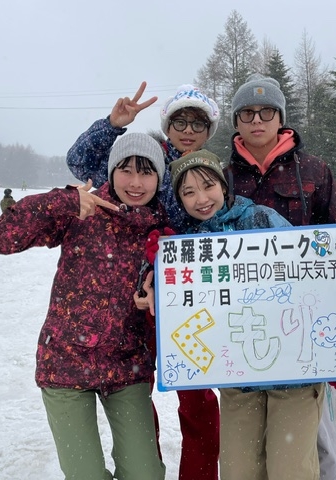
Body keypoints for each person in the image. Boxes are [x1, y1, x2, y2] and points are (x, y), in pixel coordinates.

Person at [0, 133, 167, 480]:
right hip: (65, 364)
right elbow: (0, 239)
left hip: (126, 366)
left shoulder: (161, 227)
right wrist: (64, 201)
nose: (135, 182)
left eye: (146, 172)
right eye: (125, 170)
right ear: (111, 171)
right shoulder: (83, 209)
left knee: (145, 473)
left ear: (158, 178)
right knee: (85, 474)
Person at [226, 73, 336, 480]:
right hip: (242, 333)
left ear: (281, 118)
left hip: (303, 332)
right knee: (243, 462)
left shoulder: (313, 170)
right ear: (236, 121)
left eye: (267, 111)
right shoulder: (221, 178)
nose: (257, 120)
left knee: (309, 452)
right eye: (247, 113)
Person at [66, 82, 220, 480]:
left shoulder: (216, 173)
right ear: (167, 125)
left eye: (198, 123)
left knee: (199, 400)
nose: (188, 130)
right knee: (138, 397)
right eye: (179, 120)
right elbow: (80, 161)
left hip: (192, 302)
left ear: (209, 131)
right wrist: (112, 125)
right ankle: (142, 467)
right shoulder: (143, 161)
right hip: (136, 303)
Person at [167, 149, 324, 480]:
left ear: (224, 187)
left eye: (207, 186)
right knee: (239, 470)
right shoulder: (188, 246)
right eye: (188, 192)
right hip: (239, 378)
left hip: (293, 372)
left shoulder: (261, 218)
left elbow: (314, 278)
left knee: (289, 469)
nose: (201, 199)